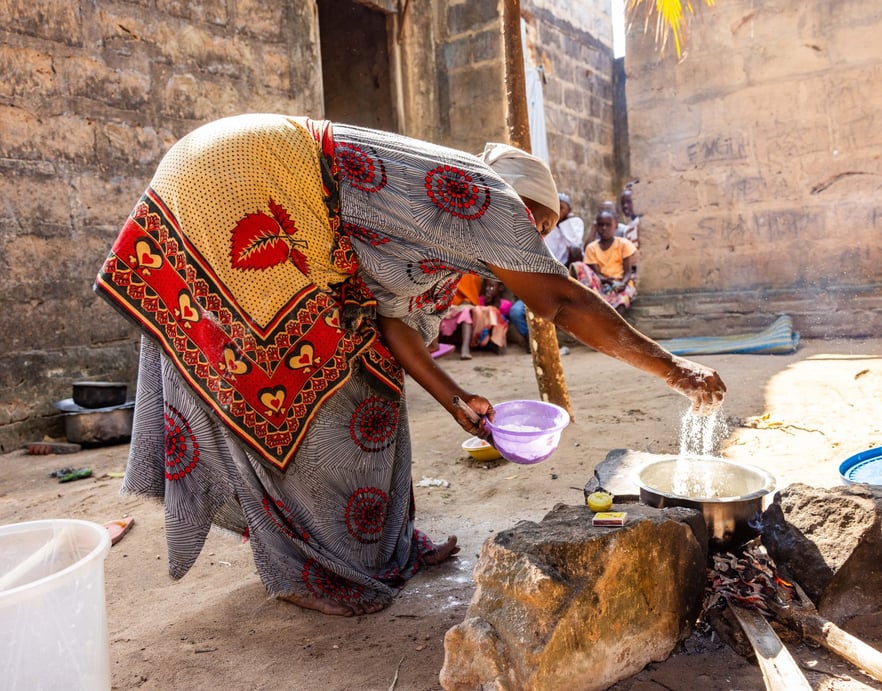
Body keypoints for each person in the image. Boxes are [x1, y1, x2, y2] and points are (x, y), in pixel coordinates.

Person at [94, 113, 725, 618]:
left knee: (359, 374)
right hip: (240, 183)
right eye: (538, 230)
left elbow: (394, 326)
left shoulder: (436, 234)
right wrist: (676, 371)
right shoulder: (489, 201)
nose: (532, 244)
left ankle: (375, 544)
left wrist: (459, 403)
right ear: (527, 216)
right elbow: (559, 298)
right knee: (300, 388)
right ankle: (308, 570)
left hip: (218, 171)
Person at [572, 210, 638, 313]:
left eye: (608, 225)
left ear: (615, 226)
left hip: (620, 283)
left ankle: (614, 316)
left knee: (623, 300)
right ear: (596, 227)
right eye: (601, 225)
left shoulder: (624, 244)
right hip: (601, 284)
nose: (604, 228)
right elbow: (596, 274)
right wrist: (607, 281)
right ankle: (596, 306)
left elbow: (628, 272)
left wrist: (622, 284)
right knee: (579, 266)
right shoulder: (591, 248)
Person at [437, 275, 510, 359]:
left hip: (466, 307)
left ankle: (465, 348)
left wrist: (465, 303)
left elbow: (472, 297)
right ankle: (433, 347)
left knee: (466, 313)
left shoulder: (472, 274)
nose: (488, 289)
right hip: (446, 306)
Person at [544, 192, 585, 266]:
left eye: (561, 208)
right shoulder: (546, 224)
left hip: (566, 264)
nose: (557, 211)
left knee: (576, 248)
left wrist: (565, 223)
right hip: (548, 263)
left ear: (569, 210)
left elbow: (576, 241)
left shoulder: (576, 222)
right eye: (555, 207)